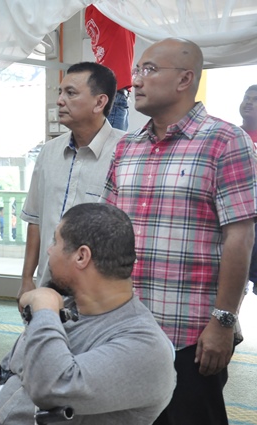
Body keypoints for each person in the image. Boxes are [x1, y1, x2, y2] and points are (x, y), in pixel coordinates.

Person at [103, 38, 257, 425]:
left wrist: (223, 322)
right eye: (136, 70)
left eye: (149, 69)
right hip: (126, 328)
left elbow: (240, 238)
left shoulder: (225, 141)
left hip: (191, 334)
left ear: (185, 79)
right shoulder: (127, 148)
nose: (136, 80)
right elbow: (108, 230)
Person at [0, 203, 176, 425]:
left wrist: (44, 309)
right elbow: (4, 373)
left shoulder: (147, 350)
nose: (49, 250)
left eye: (55, 241)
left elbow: (50, 388)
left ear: (81, 257)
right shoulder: (66, 307)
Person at [19, 61, 124, 300]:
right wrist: (26, 279)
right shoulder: (49, 152)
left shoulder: (126, 152)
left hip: (100, 296)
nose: (59, 101)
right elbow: (35, 219)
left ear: (99, 102)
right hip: (48, 288)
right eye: (60, 92)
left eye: (71, 93)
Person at [85, 4, 136, 131]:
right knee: (114, 143)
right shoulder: (109, 12)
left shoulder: (91, 13)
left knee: (112, 142)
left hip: (111, 93)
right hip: (115, 94)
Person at [239, 85, 257, 295]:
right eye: (247, 98)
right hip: (238, 219)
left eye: (255, 99)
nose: (249, 103)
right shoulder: (230, 136)